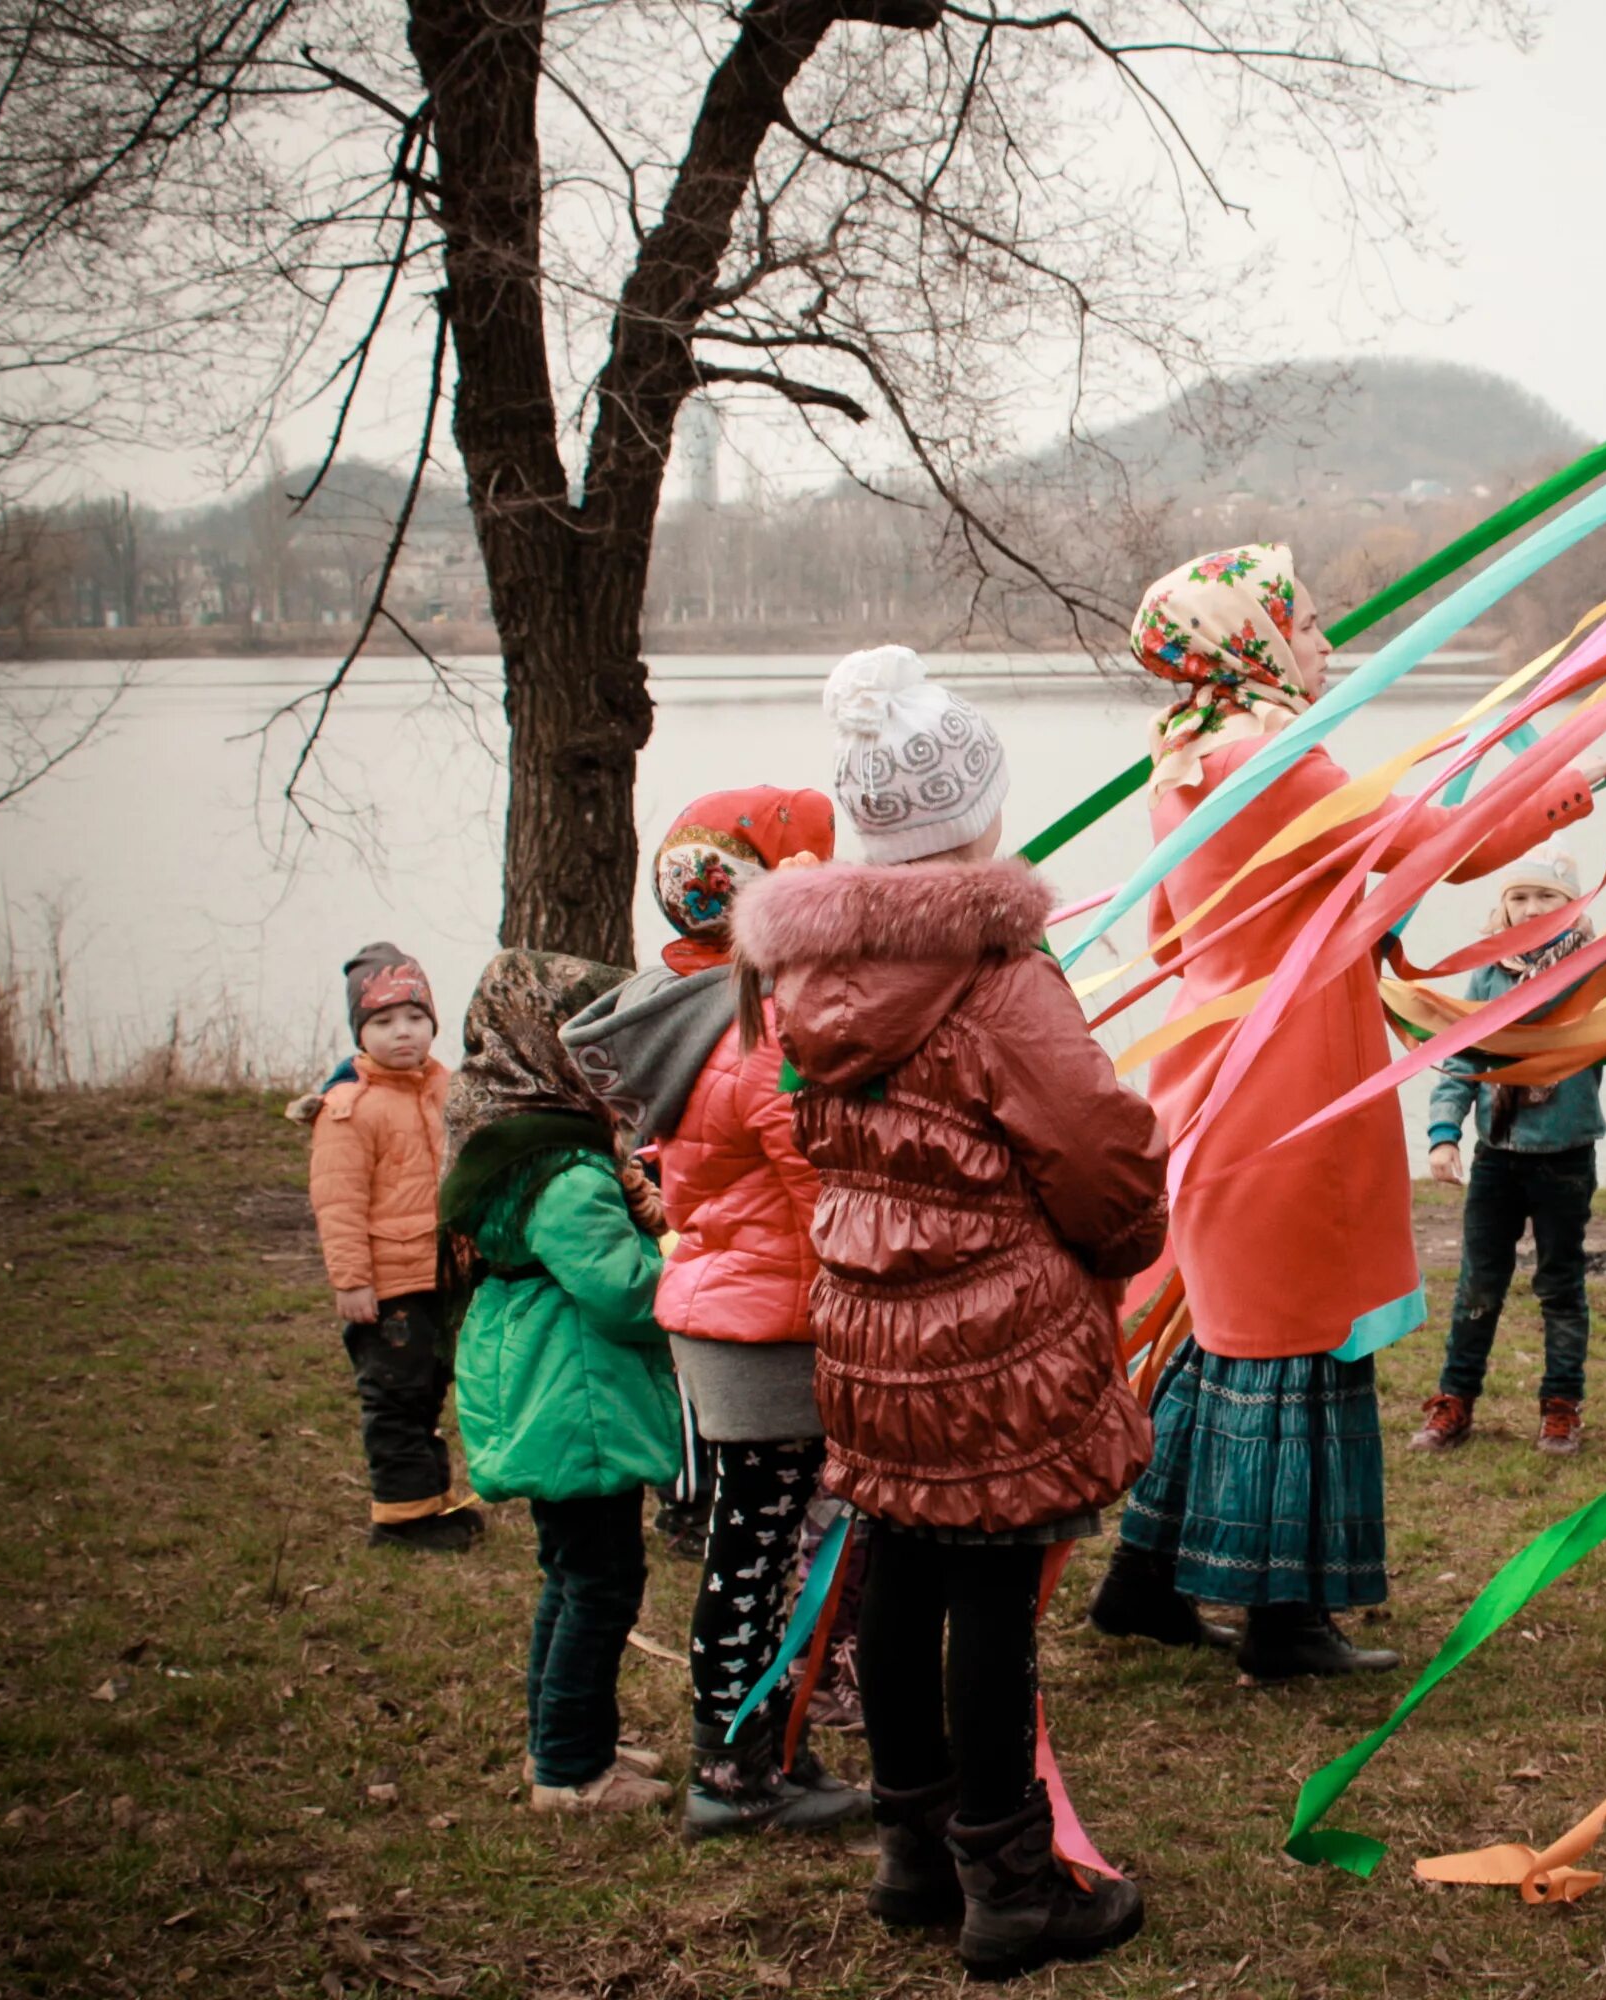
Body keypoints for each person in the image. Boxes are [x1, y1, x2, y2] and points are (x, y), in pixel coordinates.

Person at [1084, 543, 1604, 1681]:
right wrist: (1562, 783)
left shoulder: (1181, 754)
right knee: (1297, 1339)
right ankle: (1284, 1618)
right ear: (1251, 636)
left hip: (1220, 1062)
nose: (1324, 641)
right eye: (1308, 620)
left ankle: (1147, 1578)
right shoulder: (1268, 755)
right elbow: (1432, 845)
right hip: (1288, 1081)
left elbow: (1179, 934)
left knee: (1224, 1335)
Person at [730, 646, 1167, 1978]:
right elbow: (1096, 1154)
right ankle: (1010, 1888)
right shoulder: (1001, 977)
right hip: (995, 1340)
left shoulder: (804, 978)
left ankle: (912, 1853)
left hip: (868, 1331)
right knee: (987, 1597)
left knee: (903, 1575)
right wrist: (1126, 1242)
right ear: (977, 822)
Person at [561, 784, 867, 1841]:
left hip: (723, 1307)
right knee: (762, 1545)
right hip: (769, 1325)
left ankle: (748, 1750)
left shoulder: (691, 1010)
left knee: (753, 1538)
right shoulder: (762, 1033)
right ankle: (738, 1768)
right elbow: (822, 1195)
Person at [443, 948, 681, 1817]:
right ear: (547, 1043)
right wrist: (683, 1259)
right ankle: (574, 1772)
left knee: (572, 1571)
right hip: (572, 1385)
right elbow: (620, 1291)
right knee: (602, 1580)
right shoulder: (565, 1167)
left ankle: (564, 1738)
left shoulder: (503, 1132)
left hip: (539, 1368)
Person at [1416, 840, 1606, 1456]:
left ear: (1573, 906)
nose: (1531, 908)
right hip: (1496, 1156)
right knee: (1479, 1284)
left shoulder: (1597, 977)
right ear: (1502, 910)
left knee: (1560, 1284)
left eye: (1545, 896)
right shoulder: (1488, 977)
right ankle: (1455, 1401)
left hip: (1567, 1158)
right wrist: (1444, 1135)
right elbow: (1460, 1057)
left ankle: (1560, 1406)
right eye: (1518, 897)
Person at [307, 943, 482, 1550]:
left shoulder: (450, 1091)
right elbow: (339, 1203)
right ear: (361, 1032)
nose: (401, 1033)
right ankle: (402, 1521)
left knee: (429, 1392)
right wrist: (352, 1281)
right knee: (395, 1400)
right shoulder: (350, 1109)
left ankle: (430, 1503)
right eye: (382, 1022)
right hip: (388, 1286)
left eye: (414, 1018)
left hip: (443, 1278)